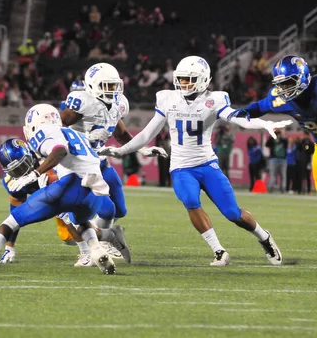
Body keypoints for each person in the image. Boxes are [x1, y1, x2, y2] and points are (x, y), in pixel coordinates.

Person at [99, 56, 288, 266]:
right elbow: (146, 134)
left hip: (207, 164)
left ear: (203, 79)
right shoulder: (168, 99)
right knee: (190, 200)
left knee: (233, 214)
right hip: (181, 167)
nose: (183, 84)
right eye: (181, 79)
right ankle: (219, 251)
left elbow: (235, 117)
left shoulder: (214, 99)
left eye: (189, 79)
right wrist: (122, 151)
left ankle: (264, 237)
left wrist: (261, 124)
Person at [0, 104, 125, 274]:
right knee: (80, 220)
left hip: (68, 188)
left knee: (11, 222)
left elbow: (59, 151)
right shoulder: (75, 134)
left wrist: (35, 174)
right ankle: (97, 249)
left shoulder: (42, 136)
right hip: (94, 192)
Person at [59, 63, 166, 263]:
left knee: (120, 210)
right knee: (103, 211)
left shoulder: (118, 104)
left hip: (100, 161)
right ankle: (91, 248)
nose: (112, 90)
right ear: (92, 85)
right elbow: (55, 129)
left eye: (114, 85)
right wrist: (86, 138)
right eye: (106, 85)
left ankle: (104, 236)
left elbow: (122, 135)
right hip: (78, 165)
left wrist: (143, 149)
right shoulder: (83, 102)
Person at [0, 138, 124, 267]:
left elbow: (70, 173)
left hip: (80, 185)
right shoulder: (12, 182)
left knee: (107, 211)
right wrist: (10, 247)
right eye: (15, 170)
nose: (21, 172)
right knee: (68, 237)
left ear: (30, 156)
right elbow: (15, 212)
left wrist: (51, 180)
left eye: (23, 165)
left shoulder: (45, 156)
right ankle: (103, 239)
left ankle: (94, 247)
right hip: (53, 195)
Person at [229, 56, 317, 191]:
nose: (284, 89)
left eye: (288, 83)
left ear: (303, 77)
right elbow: (260, 107)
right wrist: (241, 113)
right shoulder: (282, 100)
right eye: (281, 84)